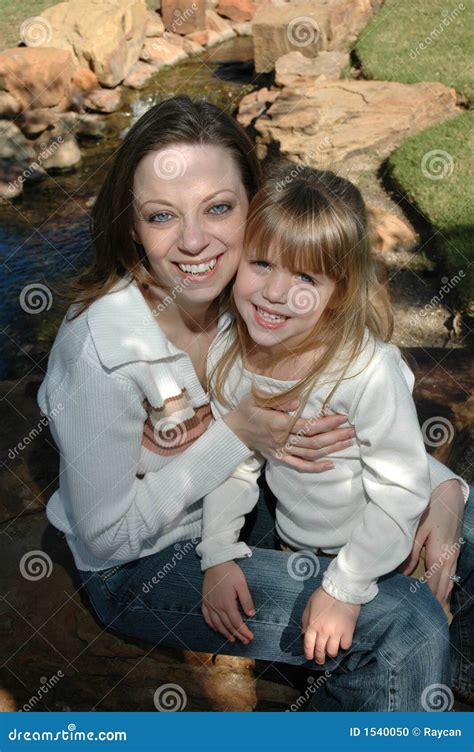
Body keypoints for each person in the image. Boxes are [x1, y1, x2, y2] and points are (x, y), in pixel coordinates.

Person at [37, 95, 471, 711]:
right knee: (402, 618)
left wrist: (445, 487)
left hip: (250, 505)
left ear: (252, 209)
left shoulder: (242, 304)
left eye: (217, 208)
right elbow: (107, 540)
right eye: (161, 217)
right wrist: (237, 435)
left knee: (466, 534)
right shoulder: (101, 353)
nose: (193, 242)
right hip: (148, 561)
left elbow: (358, 427)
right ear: (130, 226)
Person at [197, 164, 443, 668]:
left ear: (339, 291)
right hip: (299, 546)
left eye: (306, 276)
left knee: (404, 648)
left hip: (387, 554)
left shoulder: (364, 372)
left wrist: (345, 587)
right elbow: (234, 463)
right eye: (261, 263)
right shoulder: (229, 350)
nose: (275, 293)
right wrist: (218, 552)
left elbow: (400, 488)